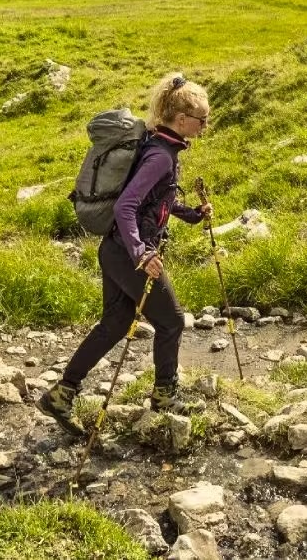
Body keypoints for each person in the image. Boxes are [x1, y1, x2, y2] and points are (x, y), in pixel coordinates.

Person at [40, 73, 214, 425]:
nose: (205, 125)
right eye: (202, 120)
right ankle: (165, 397)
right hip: (130, 254)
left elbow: (156, 200)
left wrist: (193, 215)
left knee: (115, 323)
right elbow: (125, 206)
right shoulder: (161, 156)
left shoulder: (160, 146)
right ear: (181, 120)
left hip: (115, 250)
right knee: (172, 321)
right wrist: (142, 254)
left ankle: (61, 395)